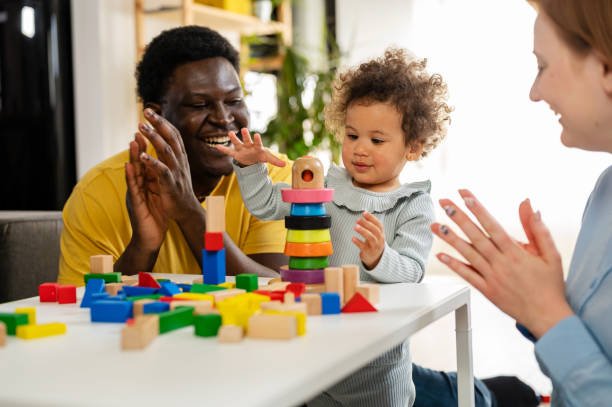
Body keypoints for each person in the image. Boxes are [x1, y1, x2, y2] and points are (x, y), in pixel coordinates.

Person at [217, 48, 452, 406]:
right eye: (352, 135)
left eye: (376, 140)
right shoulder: (326, 187)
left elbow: (413, 272)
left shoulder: (412, 203)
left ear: (413, 147)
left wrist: (379, 257)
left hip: (377, 367)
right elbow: (266, 204)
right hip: (319, 351)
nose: (359, 149)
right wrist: (251, 168)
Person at [431, 1, 612, 406]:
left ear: (606, 68)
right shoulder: (604, 193)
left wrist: (549, 314)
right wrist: (531, 296)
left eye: (543, 66)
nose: (535, 92)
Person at [58, 26, 291, 285]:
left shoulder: (272, 178)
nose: (224, 118)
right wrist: (142, 247)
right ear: (156, 116)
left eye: (234, 100)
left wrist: (189, 212)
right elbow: (80, 312)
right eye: (199, 105)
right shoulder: (97, 193)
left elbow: (280, 290)